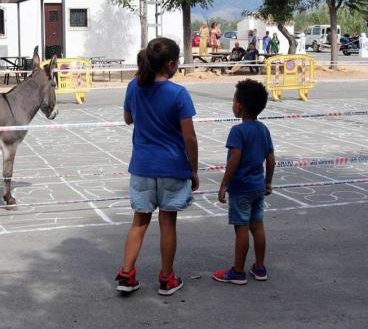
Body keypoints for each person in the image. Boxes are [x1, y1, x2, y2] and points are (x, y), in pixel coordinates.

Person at [115, 37, 199, 296]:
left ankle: (126, 274)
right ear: (171, 64)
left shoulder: (133, 86)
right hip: (172, 167)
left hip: (141, 166)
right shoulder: (178, 94)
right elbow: (189, 137)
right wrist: (193, 170)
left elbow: (128, 119)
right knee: (167, 224)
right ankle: (166, 278)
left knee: (139, 221)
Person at [212, 79, 275, 285]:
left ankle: (238, 271)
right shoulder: (263, 129)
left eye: (233, 100)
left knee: (241, 229)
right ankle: (259, 267)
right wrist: (268, 182)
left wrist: (224, 185)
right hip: (257, 187)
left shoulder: (238, 131)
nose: (232, 103)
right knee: (257, 226)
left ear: (240, 106)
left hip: (241, 189)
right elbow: (271, 160)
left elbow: (234, 160)